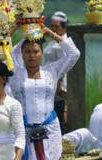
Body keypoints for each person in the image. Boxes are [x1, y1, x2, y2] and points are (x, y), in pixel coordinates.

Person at [9, 27, 80, 160]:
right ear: (21, 54)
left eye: (36, 51)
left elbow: (74, 54)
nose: (32, 55)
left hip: (50, 129)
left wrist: (50, 33)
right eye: (27, 52)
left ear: (42, 53)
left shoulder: (51, 71)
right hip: (24, 130)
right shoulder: (14, 73)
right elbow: (8, 52)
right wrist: (28, 33)